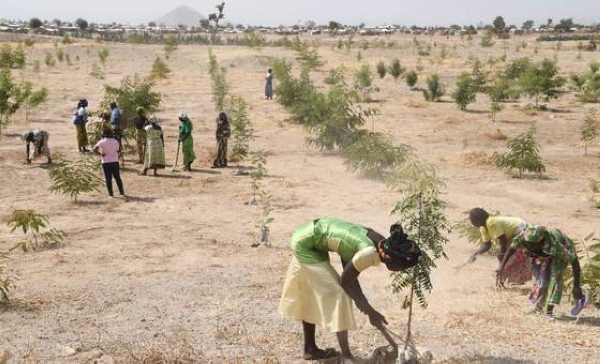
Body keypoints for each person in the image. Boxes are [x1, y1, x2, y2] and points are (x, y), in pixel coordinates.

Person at [279, 217, 421, 363]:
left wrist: (367, 309)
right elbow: (346, 282)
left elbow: (349, 264)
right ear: (387, 256)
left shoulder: (380, 241)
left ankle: (310, 349)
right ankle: (346, 357)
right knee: (340, 297)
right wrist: (370, 311)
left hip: (310, 235)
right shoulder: (369, 252)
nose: (399, 270)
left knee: (310, 291)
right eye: (400, 266)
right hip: (306, 244)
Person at [498, 224, 588, 317]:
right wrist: (502, 266)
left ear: (541, 242)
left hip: (560, 251)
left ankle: (550, 311)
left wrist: (576, 286)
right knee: (541, 282)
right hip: (543, 254)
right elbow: (511, 249)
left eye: (533, 244)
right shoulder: (524, 238)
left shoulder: (556, 246)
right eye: (528, 244)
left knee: (555, 280)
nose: (530, 246)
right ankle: (539, 308)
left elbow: (574, 261)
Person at [468, 208, 532, 285]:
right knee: (506, 258)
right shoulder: (483, 228)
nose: (472, 222)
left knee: (511, 257)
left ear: (477, 220)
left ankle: (513, 279)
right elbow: (487, 245)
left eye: (472, 220)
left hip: (521, 229)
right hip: (512, 235)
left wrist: (502, 254)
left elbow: (503, 240)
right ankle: (510, 279)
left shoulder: (491, 222)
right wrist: (475, 255)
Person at [93, 129, 125, 198]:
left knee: (108, 179)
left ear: (104, 134)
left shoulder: (102, 141)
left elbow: (94, 149)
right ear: (111, 133)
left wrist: (101, 154)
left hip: (106, 162)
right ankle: (122, 193)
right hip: (115, 161)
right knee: (118, 178)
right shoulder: (116, 141)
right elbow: (118, 150)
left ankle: (111, 195)